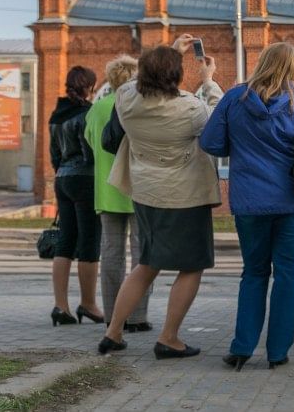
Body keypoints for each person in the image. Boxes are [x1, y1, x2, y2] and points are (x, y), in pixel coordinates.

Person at [200, 42, 294, 370]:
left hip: (249, 202)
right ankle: (278, 352)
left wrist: (242, 146)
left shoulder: (234, 98)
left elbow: (211, 142)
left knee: (254, 272)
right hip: (292, 202)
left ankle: (242, 347)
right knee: (287, 274)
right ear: (293, 68)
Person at [95, 37, 222, 359]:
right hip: (184, 196)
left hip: (145, 192)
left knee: (147, 264)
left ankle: (113, 332)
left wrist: (169, 54)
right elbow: (219, 122)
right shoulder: (189, 108)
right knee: (192, 266)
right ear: (177, 76)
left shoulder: (125, 99)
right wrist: (208, 82)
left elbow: (136, 83)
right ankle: (169, 338)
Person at [84, 55, 151, 332]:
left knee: (110, 254)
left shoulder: (97, 109)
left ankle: (112, 315)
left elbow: (90, 142)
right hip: (138, 188)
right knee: (141, 255)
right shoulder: (139, 106)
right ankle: (136, 317)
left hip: (107, 190)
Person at [49, 65, 103, 327]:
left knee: (65, 241)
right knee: (89, 242)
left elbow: (54, 156)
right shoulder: (87, 113)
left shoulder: (56, 114)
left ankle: (61, 306)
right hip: (85, 179)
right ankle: (89, 303)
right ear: (90, 87)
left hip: (62, 179)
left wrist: (63, 169)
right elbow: (89, 152)